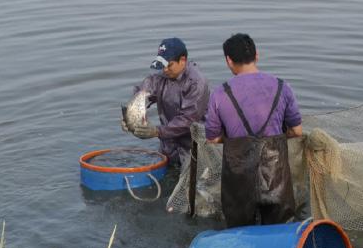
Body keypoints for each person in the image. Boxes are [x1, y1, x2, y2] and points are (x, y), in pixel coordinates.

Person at [204, 33, 302, 227]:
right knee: (278, 229)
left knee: (239, 230)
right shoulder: (282, 87)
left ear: (228, 60)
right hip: (275, 176)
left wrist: (234, 138)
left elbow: (212, 139)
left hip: (238, 178)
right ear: (257, 55)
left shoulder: (219, 93)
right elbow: (297, 131)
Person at [121, 37, 210, 167]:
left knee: (190, 176)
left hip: (194, 146)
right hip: (169, 145)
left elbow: (188, 120)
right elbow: (142, 92)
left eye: (169, 65)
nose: (165, 70)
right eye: (163, 65)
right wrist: (130, 115)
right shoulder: (160, 77)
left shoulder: (196, 83)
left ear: (183, 60)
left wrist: (156, 131)